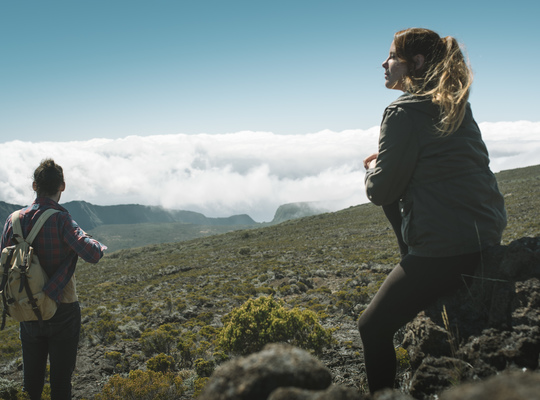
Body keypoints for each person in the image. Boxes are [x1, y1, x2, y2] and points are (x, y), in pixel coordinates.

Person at [357, 28, 506, 393]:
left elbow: (382, 191)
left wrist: (373, 173)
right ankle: (412, 259)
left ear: (416, 62)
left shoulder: (401, 111)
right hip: (486, 232)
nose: (384, 62)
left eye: (391, 56)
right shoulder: (455, 102)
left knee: (370, 327)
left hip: (447, 248)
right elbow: (449, 161)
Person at [0, 159, 106, 400]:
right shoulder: (61, 219)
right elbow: (92, 254)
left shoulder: (13, 220)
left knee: (31, 385)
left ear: (35, 185)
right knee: (60, 384)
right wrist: (89, 238)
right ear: (63, 186)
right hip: (62, 307)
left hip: (26, 307)